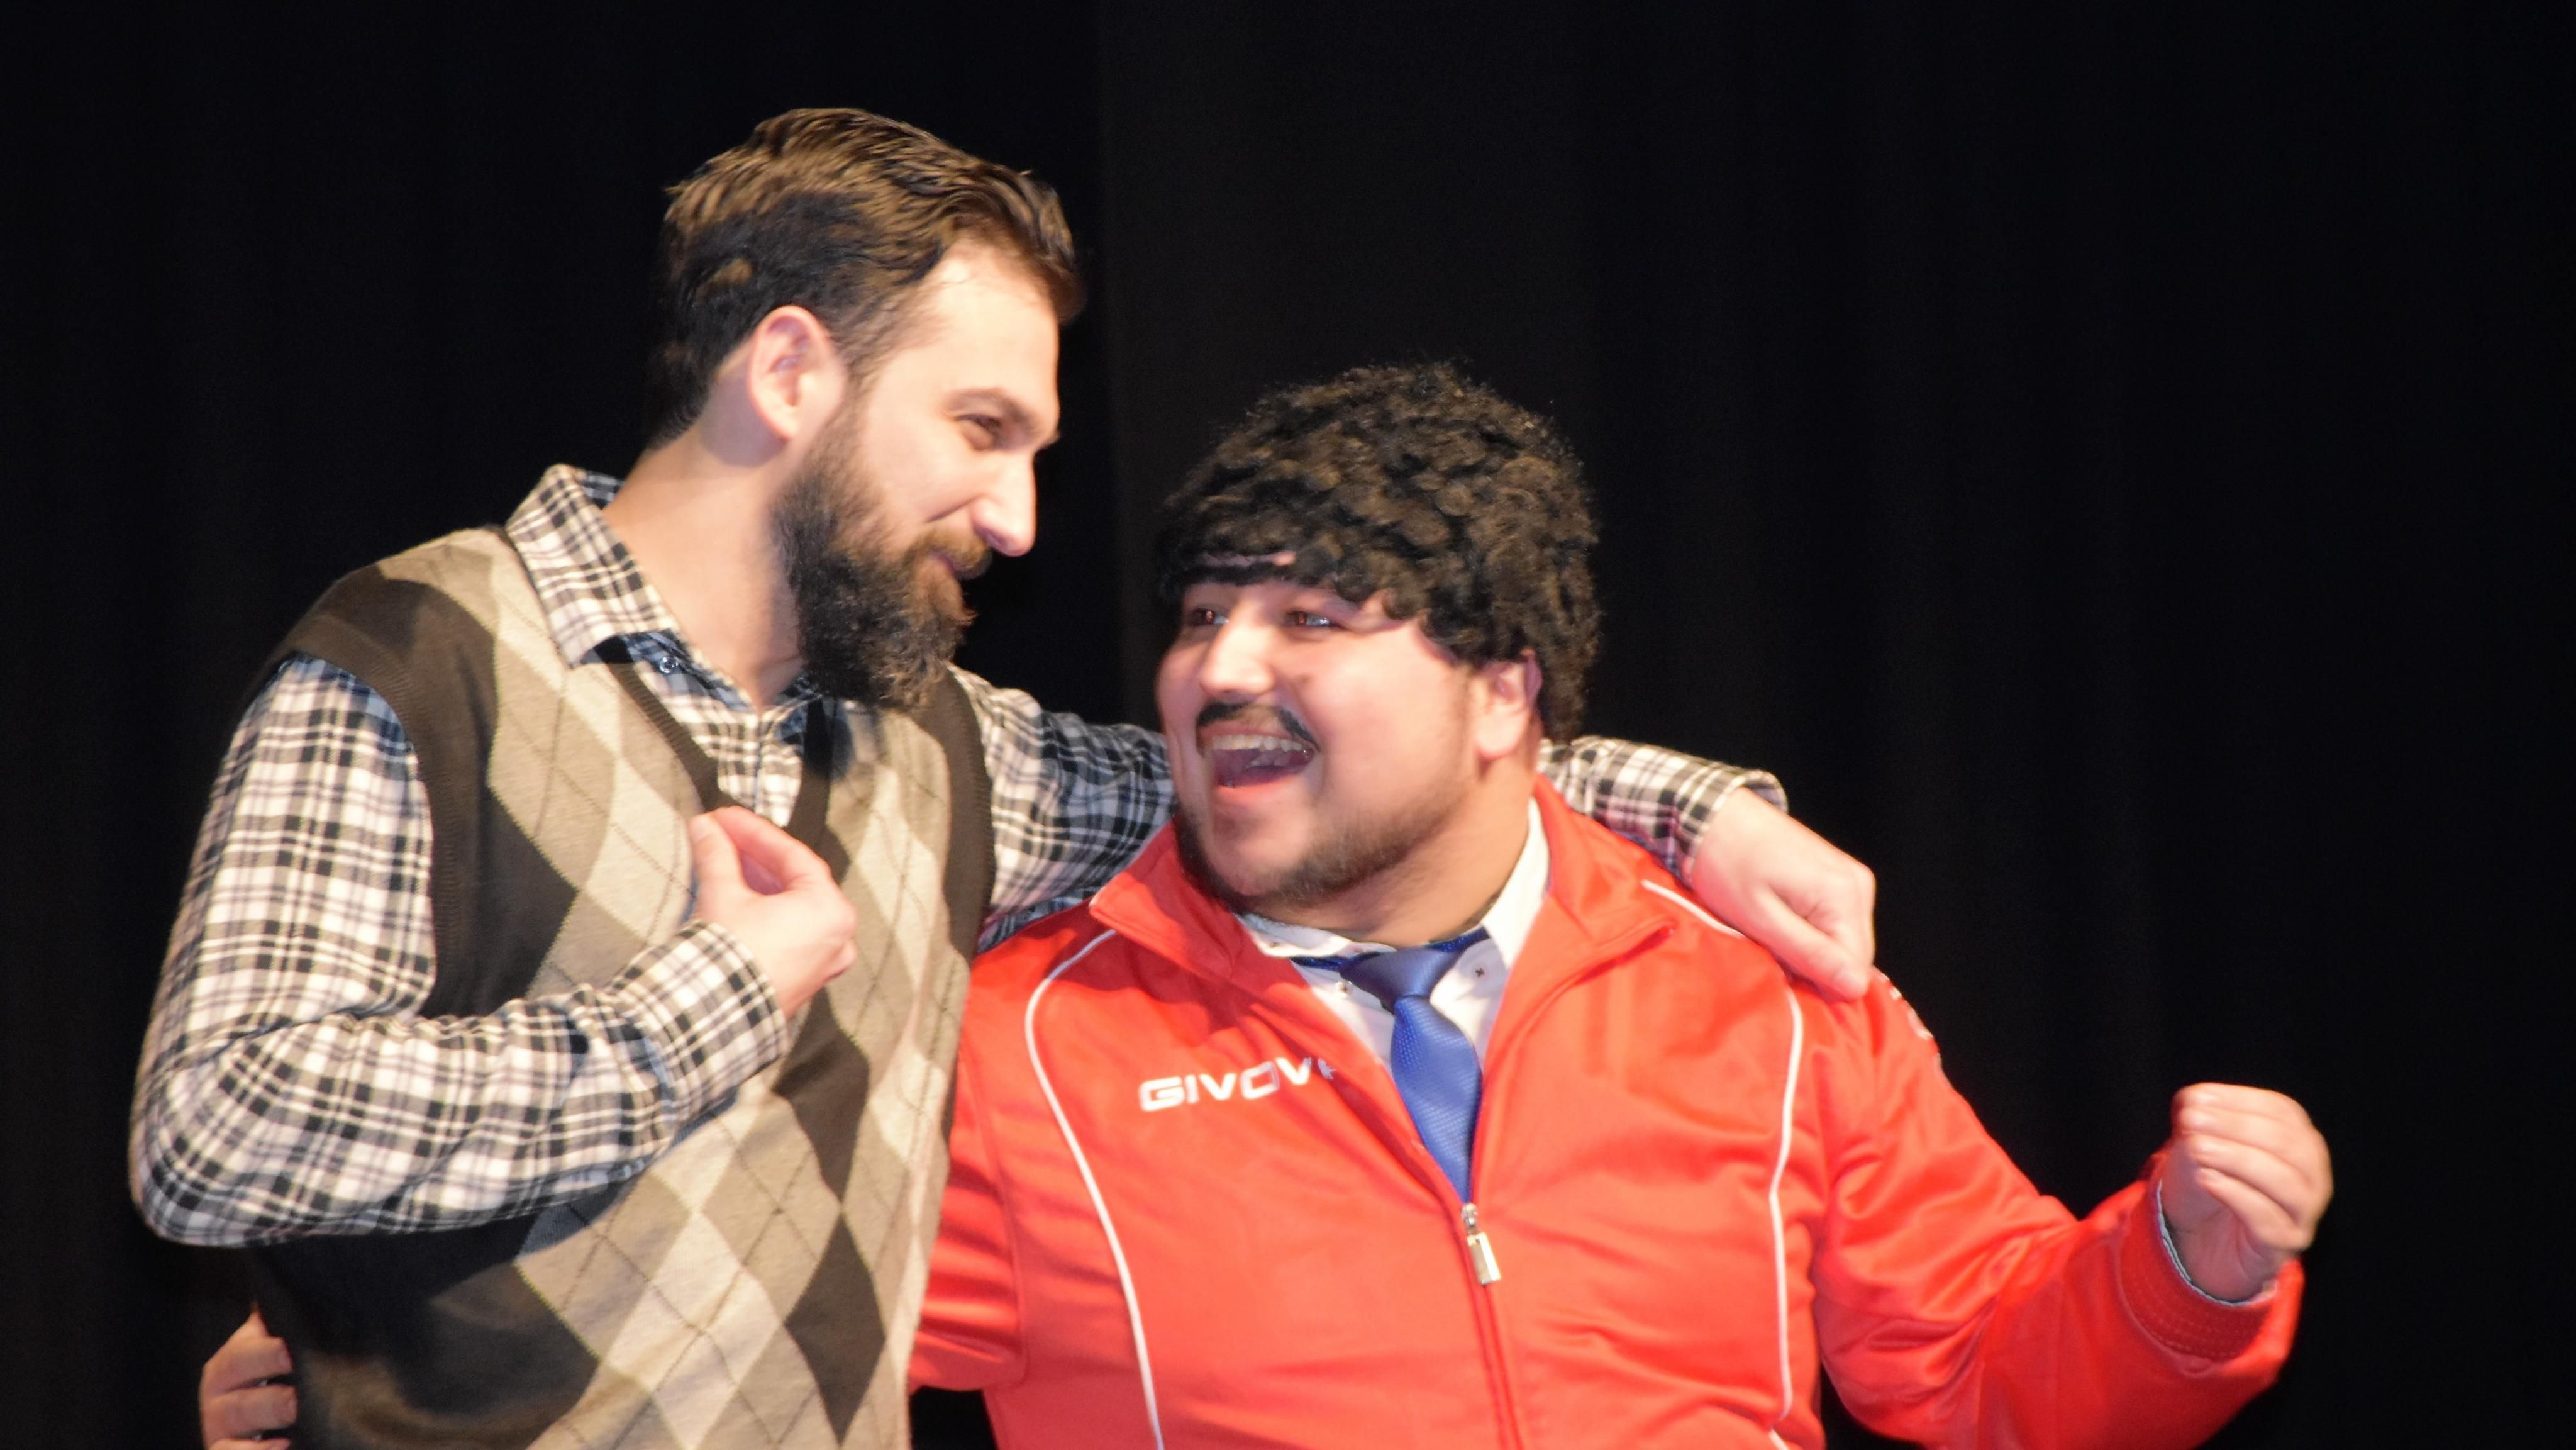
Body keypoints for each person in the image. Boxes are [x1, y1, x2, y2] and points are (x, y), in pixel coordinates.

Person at [141, 113, 1878, 1450]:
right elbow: (216, 1128)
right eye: (984, 430)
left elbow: (1310, 767)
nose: (1020, 518)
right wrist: (707, 1006)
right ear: (790, 370)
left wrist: (1687, 804)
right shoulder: (423, 659)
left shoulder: (941, 744)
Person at [205, 364, 2330, 1449]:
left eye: (1315, 620)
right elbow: (723, 1305)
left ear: (1505, 696)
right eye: (1204, 616)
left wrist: (2191, 1270)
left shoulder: (1766, 997)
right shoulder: (1028, 1032)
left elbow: (1991, 1369)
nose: (1221, 669)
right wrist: (370, 1354)